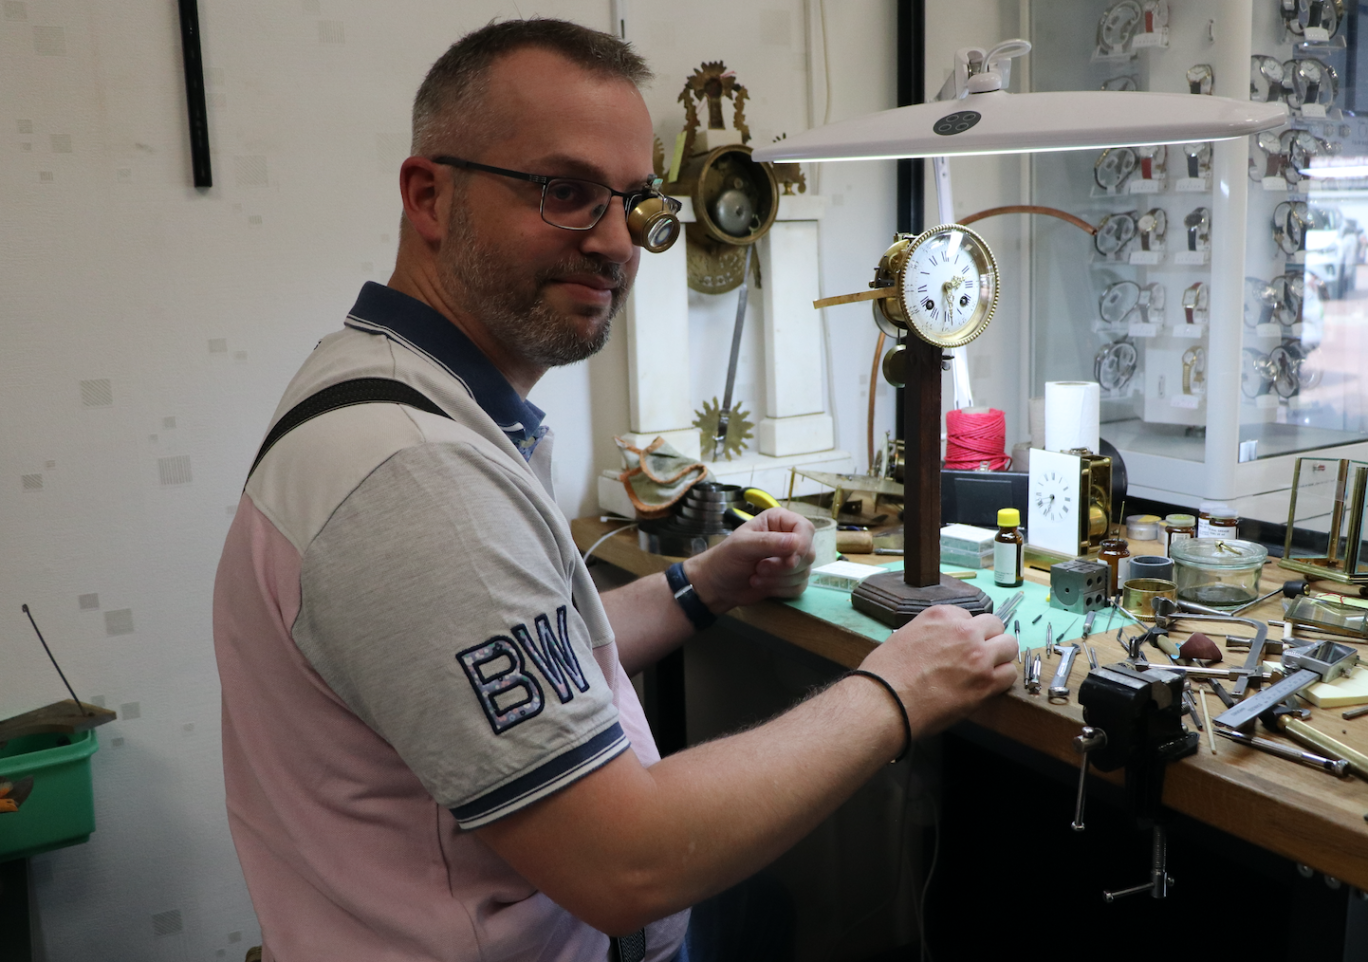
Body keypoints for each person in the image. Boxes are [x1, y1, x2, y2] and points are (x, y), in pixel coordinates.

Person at [212, 17, 1018, 962]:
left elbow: (519, 659)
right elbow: (625, 864)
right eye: (564, 193)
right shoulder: (414, 482)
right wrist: (898, 689)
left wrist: (702, 585)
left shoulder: (392, 390)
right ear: (429, 195)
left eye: (633, 204)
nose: (614, 244)